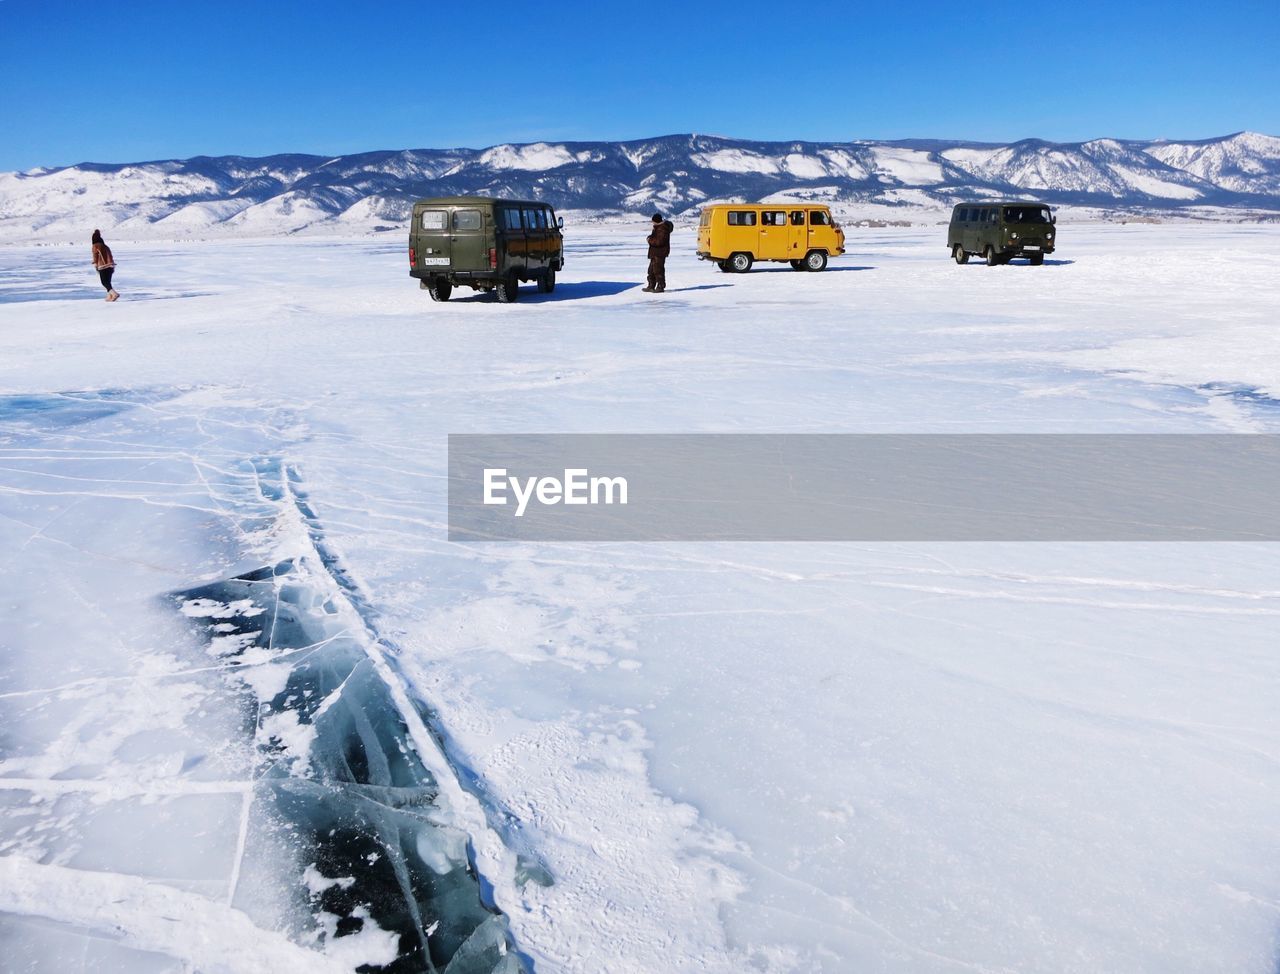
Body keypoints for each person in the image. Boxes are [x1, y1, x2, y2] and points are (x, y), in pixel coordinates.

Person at [643, 212, 673, 293]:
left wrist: (649, 240)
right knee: (651, 270)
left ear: (656, 221)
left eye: (653, 221)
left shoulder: (662, 229)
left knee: (658, 270)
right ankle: (651, 285)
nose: (652, 223)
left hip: (659, 253)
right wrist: (650, 237)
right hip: (654, 253)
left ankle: (660, 286)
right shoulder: (657, 228)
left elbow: (659, 241)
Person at [91, 230, 119, 301]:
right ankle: (110, 296)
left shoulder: (95, 246)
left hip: (103, 266)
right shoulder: (106, 246)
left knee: (104, 282)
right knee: (108, 282)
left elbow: (95, 257)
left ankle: (114, 294)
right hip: (111, 266)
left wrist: (95, 264)